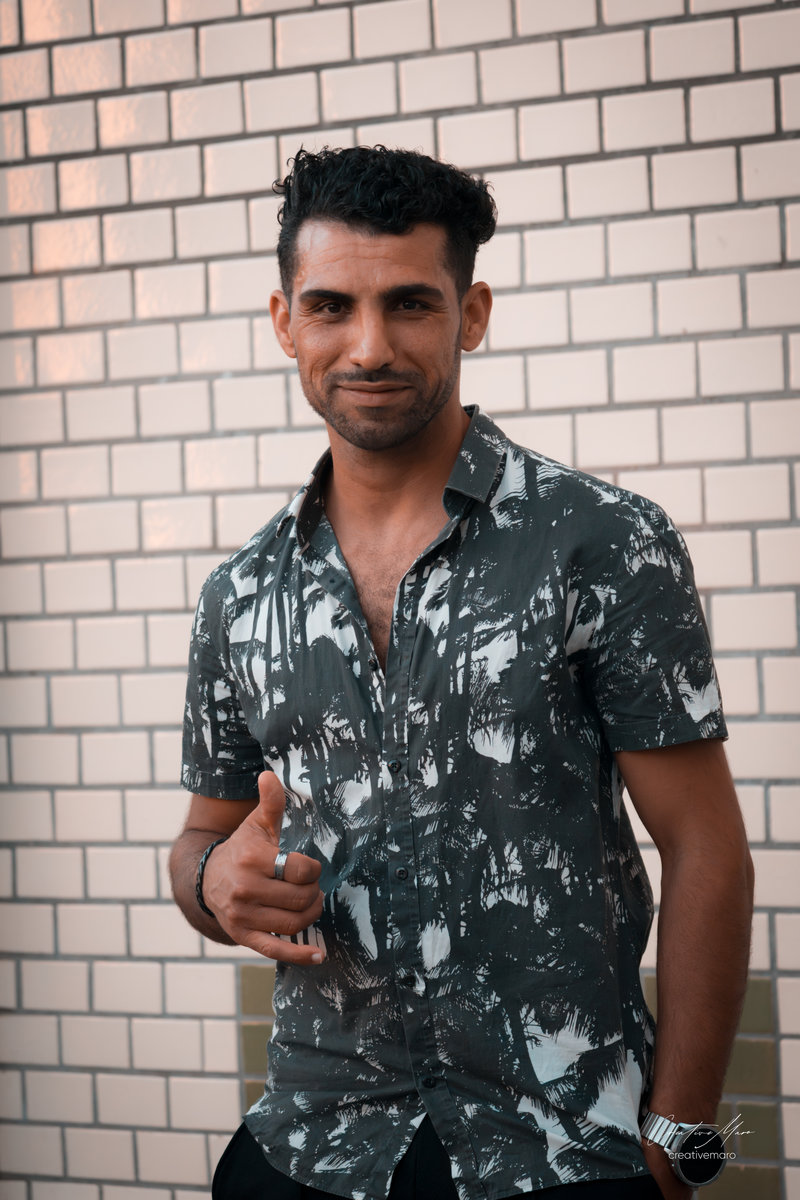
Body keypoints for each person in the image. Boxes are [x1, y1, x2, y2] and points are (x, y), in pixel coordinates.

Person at [169, 146, 754, 1200]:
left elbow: (704, 845)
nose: (369, 345)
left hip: (560, 1150)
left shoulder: (603, 542)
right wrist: (212, 884)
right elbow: (201, 841)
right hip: (313, 1143)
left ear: (469, 314)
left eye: (409, 303)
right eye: (331, 306)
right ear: (285, 322)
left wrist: (678, 1141)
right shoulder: (240, 594)